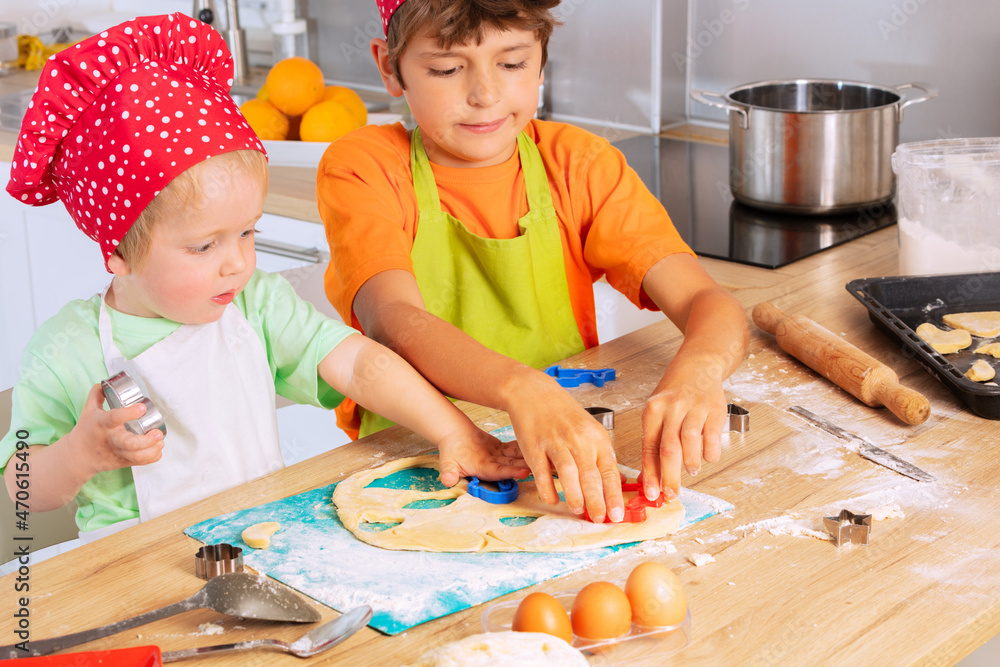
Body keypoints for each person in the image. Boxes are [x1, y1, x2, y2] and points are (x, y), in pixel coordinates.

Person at [0, 13, 527, 542]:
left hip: (261, 541)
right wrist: (80, 454)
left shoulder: (254, 306)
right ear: (117, 253)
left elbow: (362, 366)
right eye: (204, 245)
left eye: (247, 233)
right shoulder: (64, 351)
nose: (237, 264)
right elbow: (25, 492)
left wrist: (454, 432)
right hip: (130, 571)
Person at [317, 0, 749, 525]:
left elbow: (708, 301)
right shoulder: (364, 168)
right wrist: (523, 389)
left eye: (513, 63)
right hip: (414, 463)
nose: (485, 95)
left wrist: (698, 371)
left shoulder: (579, 165)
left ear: (542, 59)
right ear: (390, 67)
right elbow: (393, 320)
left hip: (565, 452)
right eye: (447, 69)